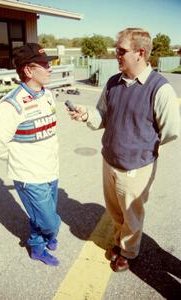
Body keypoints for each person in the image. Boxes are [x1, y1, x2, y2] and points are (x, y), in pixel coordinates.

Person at [67, 28, 180, 272]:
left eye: (121, 51)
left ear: (140, 53)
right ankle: (119, 241)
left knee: (132, 215)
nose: (115, 55)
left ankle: (128, 252)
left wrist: (140, 148)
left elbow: (171, 131)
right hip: (109, 161)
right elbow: (103, 116)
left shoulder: (160, 89)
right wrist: (86, 115)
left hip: (136, 168)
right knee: (114, 210)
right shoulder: (113, 82)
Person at [0, 43, 61, 266]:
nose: (50, 68)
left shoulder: (48, 94)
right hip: (30, 176)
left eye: (50, 64)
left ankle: (40, 242)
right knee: (50, 222)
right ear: (28, 71)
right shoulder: (11, 104)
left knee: (40, 215)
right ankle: (40, 241)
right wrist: (22, 163)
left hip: (51, 170)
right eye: (45, 65)